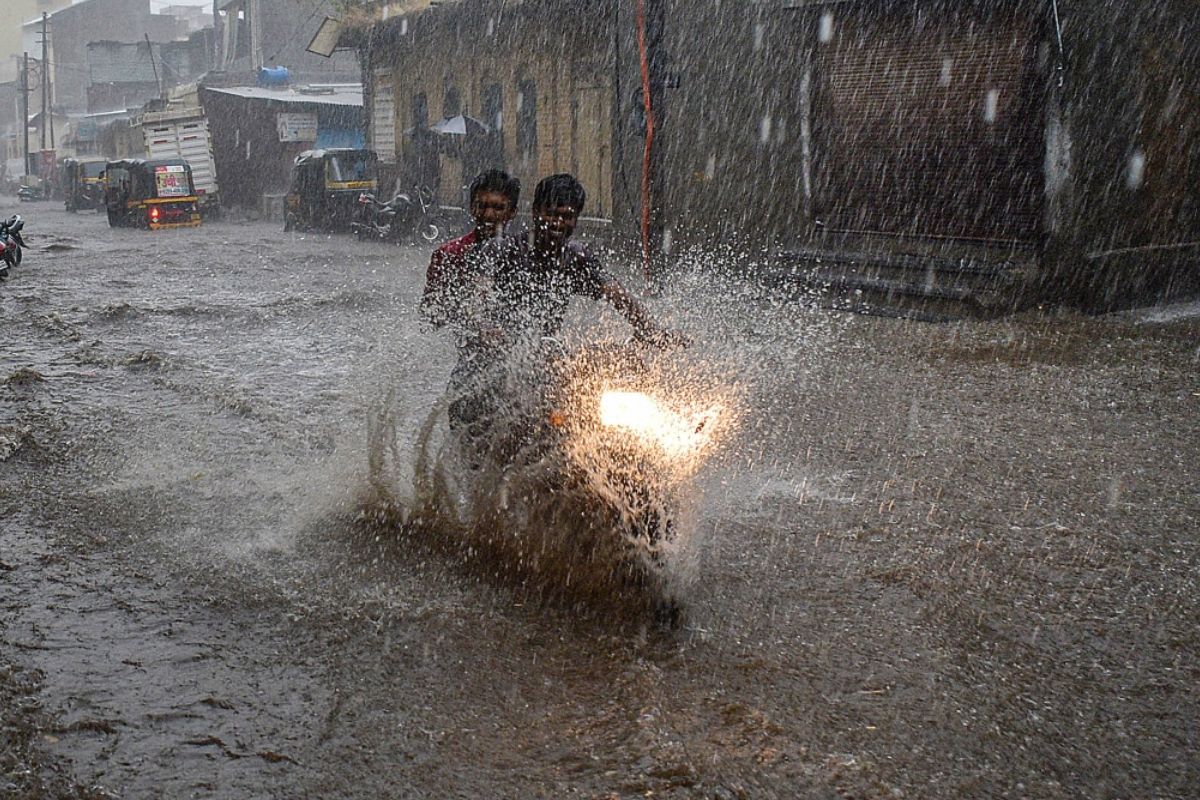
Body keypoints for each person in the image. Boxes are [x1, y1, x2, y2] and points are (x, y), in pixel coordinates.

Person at [420, 168, 520, 333]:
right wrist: (468, 319)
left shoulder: (521, 255)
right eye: (481, 206)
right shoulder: (448, 254)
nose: (488, 214)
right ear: (472, 208)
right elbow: (429, 315)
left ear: (512, 212)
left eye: (498, 207)